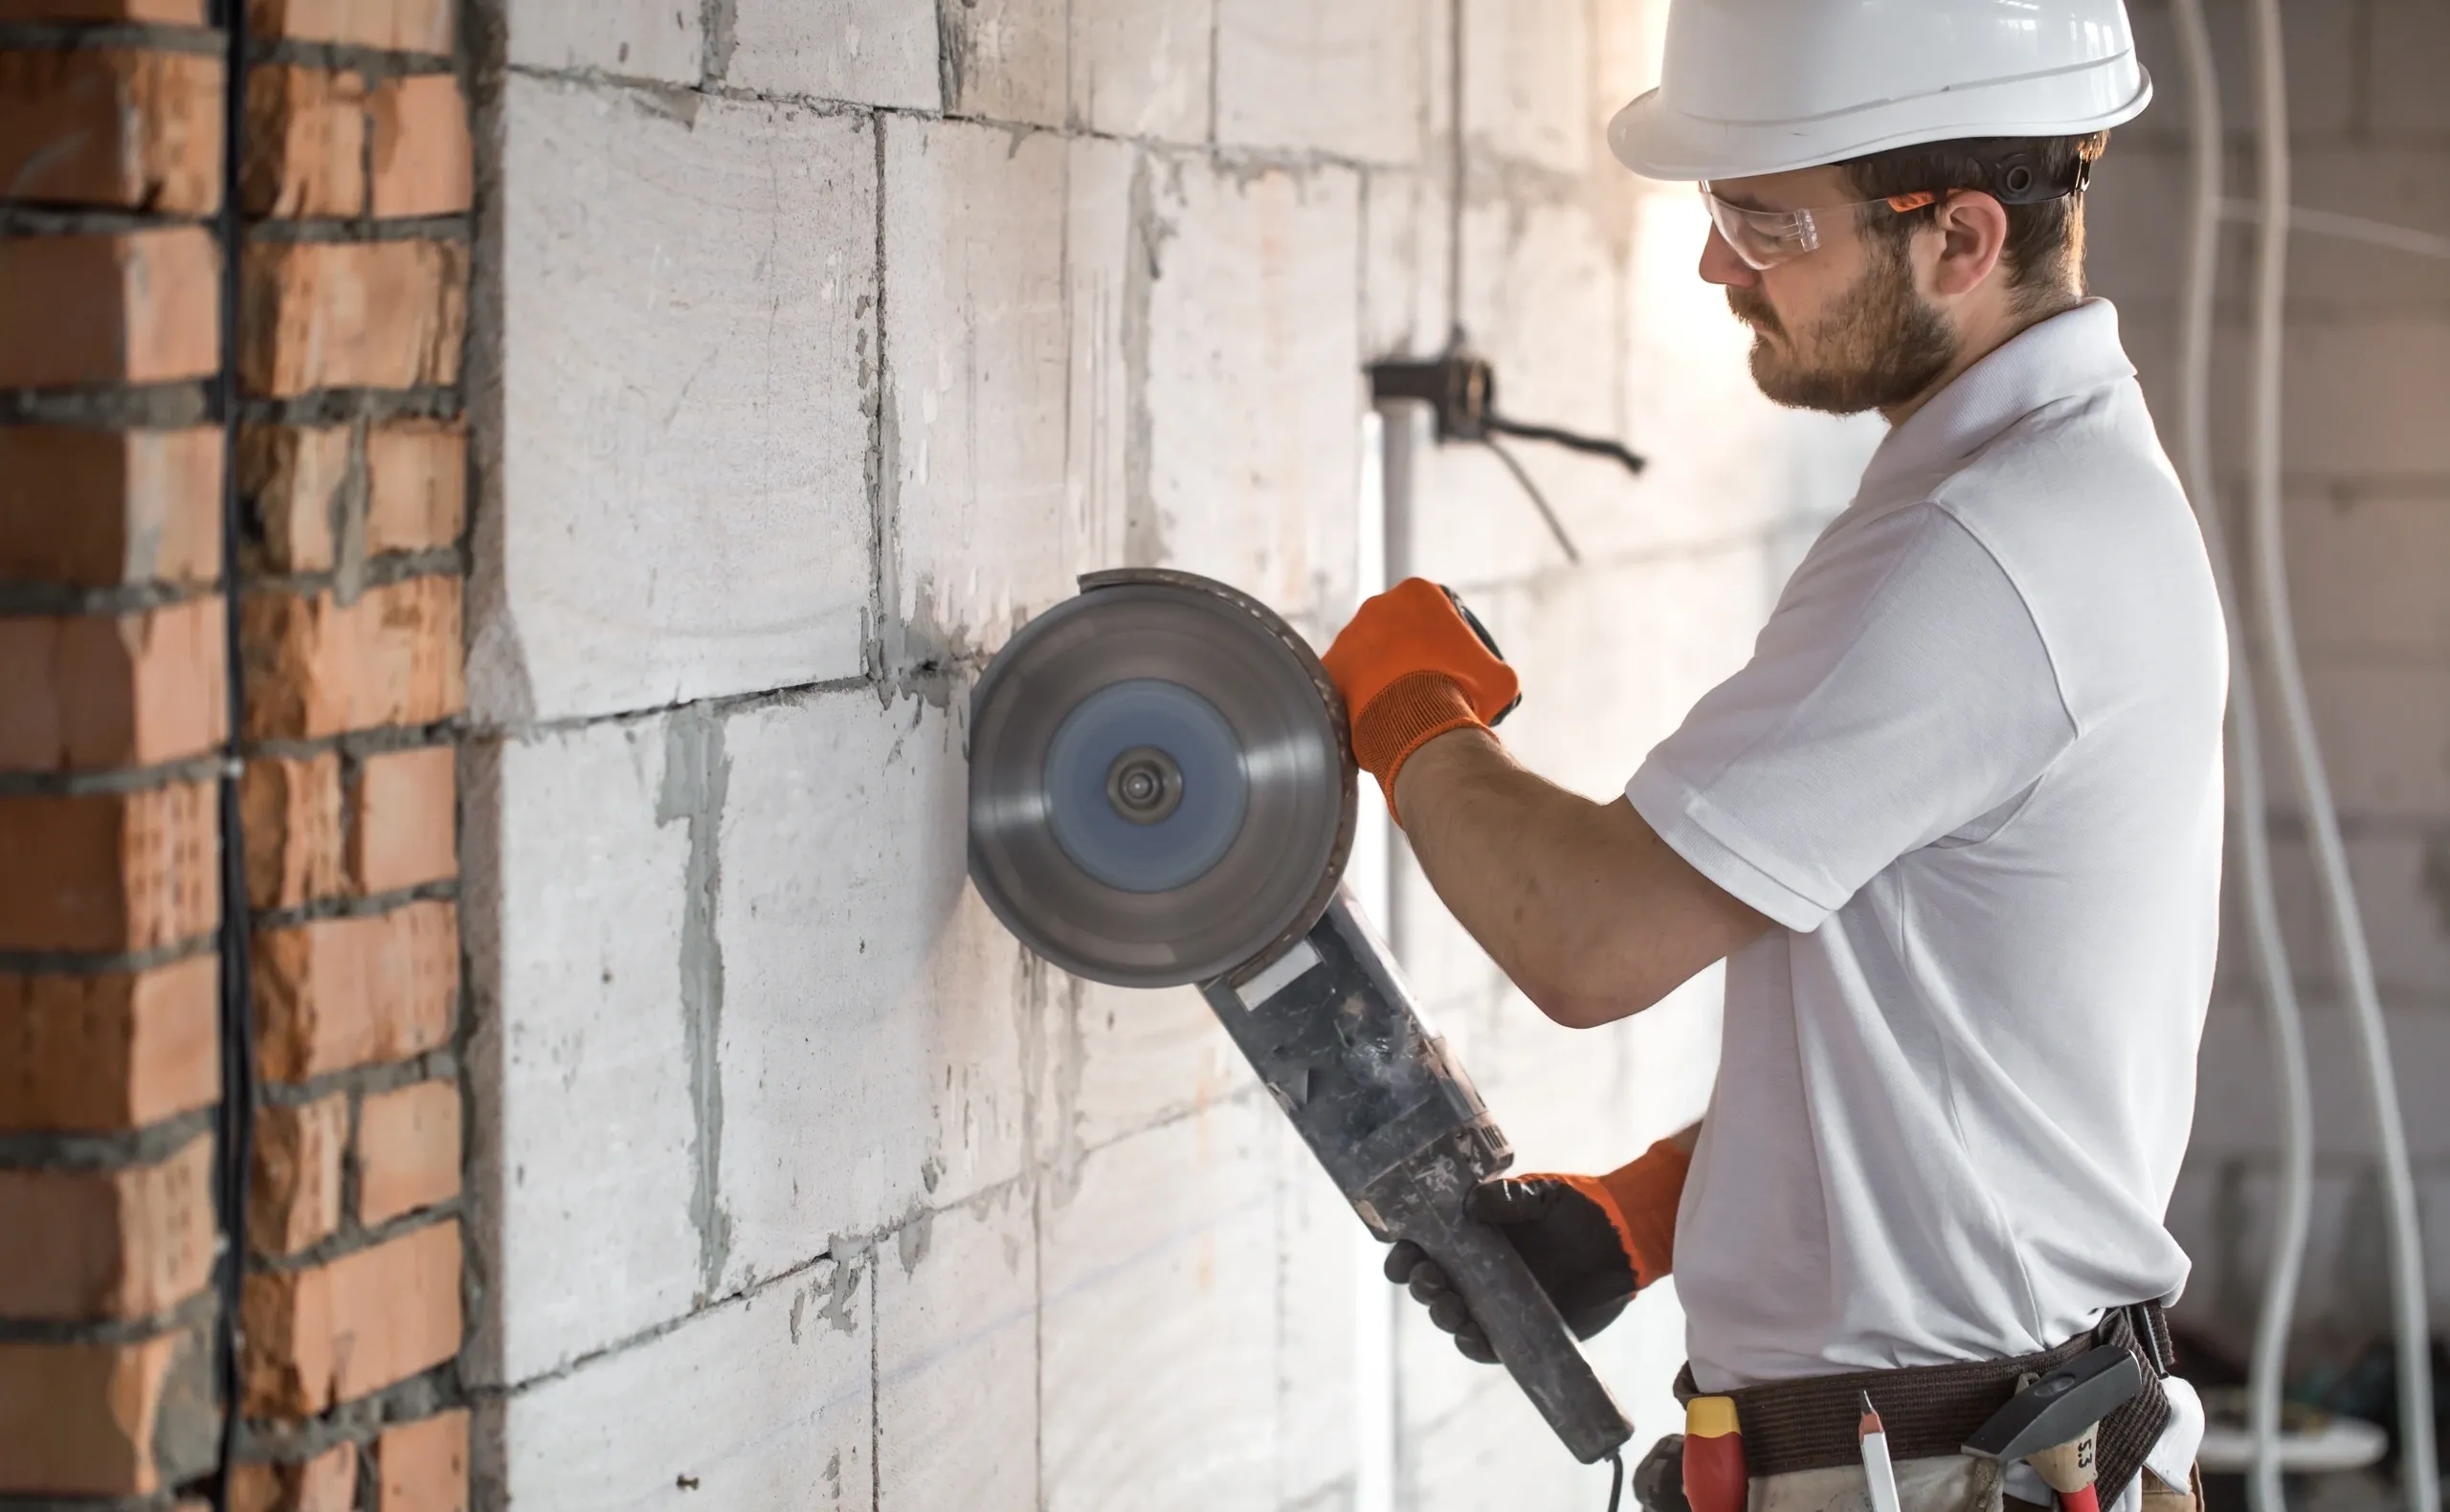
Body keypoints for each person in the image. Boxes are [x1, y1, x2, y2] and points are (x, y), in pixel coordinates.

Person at [1319, 5, 2220, 1512]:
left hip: (1945, 1470)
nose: (1718, 264)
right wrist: (1652, 1213)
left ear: (1962, 238)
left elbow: (1586, 936)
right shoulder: (2063, 492)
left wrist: (1409, 712)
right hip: (1972, 1440)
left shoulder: (1977, 552)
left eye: (1764, 218)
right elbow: (1966, 1045)